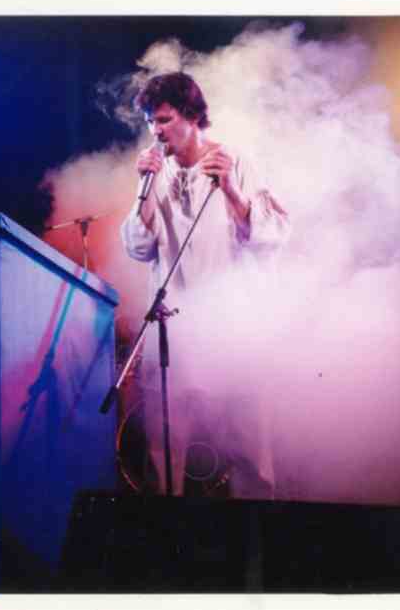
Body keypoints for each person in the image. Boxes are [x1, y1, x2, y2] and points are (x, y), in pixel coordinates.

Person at [119, 71, 290, 499]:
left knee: (251, 451)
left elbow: (273, 236)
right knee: (164, 449)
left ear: (193, 116)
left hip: (234, 326)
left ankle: (256, 538)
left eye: (163, 119)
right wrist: (142, 188)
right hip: (174, 331)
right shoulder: (154, 174)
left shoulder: (236, 161)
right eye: (150, 122)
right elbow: (138, 247)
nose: (156, 131)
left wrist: (231, 189)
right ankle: (164, 538)